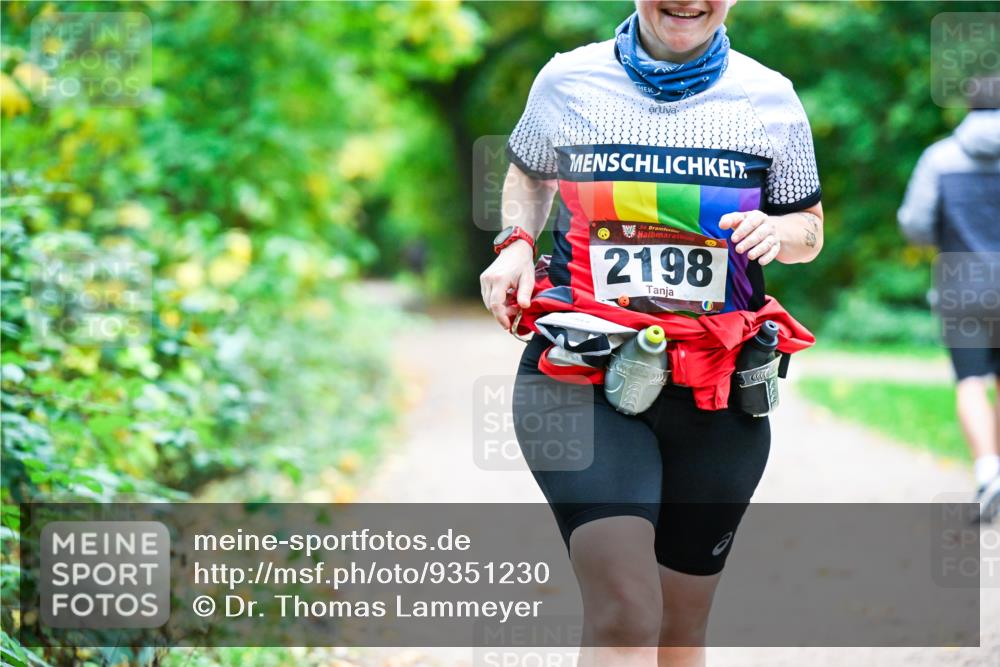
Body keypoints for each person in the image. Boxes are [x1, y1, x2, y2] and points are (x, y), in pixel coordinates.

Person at [479, 2, 823, 665]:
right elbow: (529, 169)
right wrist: (516, 242)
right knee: (626, 612)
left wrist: (779, 233)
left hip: (717, 392)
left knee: (680, 629)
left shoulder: (770, 99)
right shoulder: (568, 80)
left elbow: (809, 225)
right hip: (580, 377)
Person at [898, 81, 1000, 524]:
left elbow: (915, 224)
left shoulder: (940, 157)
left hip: (962, 286)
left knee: (971, 380)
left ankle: (988, 473)